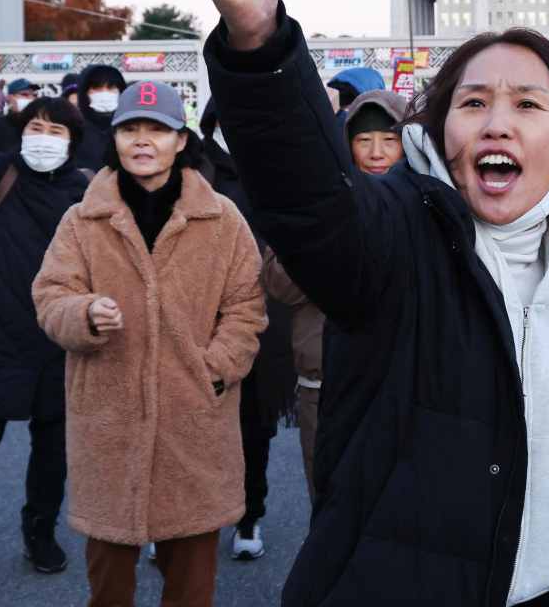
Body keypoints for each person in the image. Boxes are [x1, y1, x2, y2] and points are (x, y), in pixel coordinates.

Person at [195, 0, 549, 606]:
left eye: (529, 104)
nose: (498, 121)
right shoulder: (398, 240)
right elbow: (311, 200)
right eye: (474, 102)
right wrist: (260, 44)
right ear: (443, 134)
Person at [32, 80, 265, 607]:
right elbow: (50, 296)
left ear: (180, 140)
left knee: (191, 587)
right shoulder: (82, 220)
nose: (143, 140)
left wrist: (216, 367)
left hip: (195, 425)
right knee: (109, 586)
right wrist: (84, 313)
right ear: (114, 137)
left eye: (156, 129)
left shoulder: (222, 219)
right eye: (130, 128)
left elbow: (247, 307)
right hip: (108, 424)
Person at [261, 88, 409, 502]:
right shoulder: (316, 198)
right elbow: (277, 283)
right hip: (321, 381)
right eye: (364, 141)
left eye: (389, 140)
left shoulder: (429, 200)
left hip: (404, 380)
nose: (377, 152)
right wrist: (325, 246)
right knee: (330, 499)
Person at [0, 91, 90, 574]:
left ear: (73, 141)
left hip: (58, 340)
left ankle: (39, 532)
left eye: (56, 131)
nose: (44, 140)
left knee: (53, 453)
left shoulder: (85, 191)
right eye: (35, 129)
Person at [198, 101, 296, 561]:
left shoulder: (274, 171)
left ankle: (248, 514)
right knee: (189, 423)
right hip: (197, 316)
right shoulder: (190, 170)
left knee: (254, 426)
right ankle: (181, 519)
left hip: (262, 316)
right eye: (225, 123)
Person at [72, 64, 127, 171]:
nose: (105, 93)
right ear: (84, 92)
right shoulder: (73, 129)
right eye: (97, 88)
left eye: (111, 88)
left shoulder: (129, 128)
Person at [0, 78, 41, 156]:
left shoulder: (40, 125)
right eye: (24, 94)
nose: (31, 99)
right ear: (9, 98)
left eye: (34, 95)